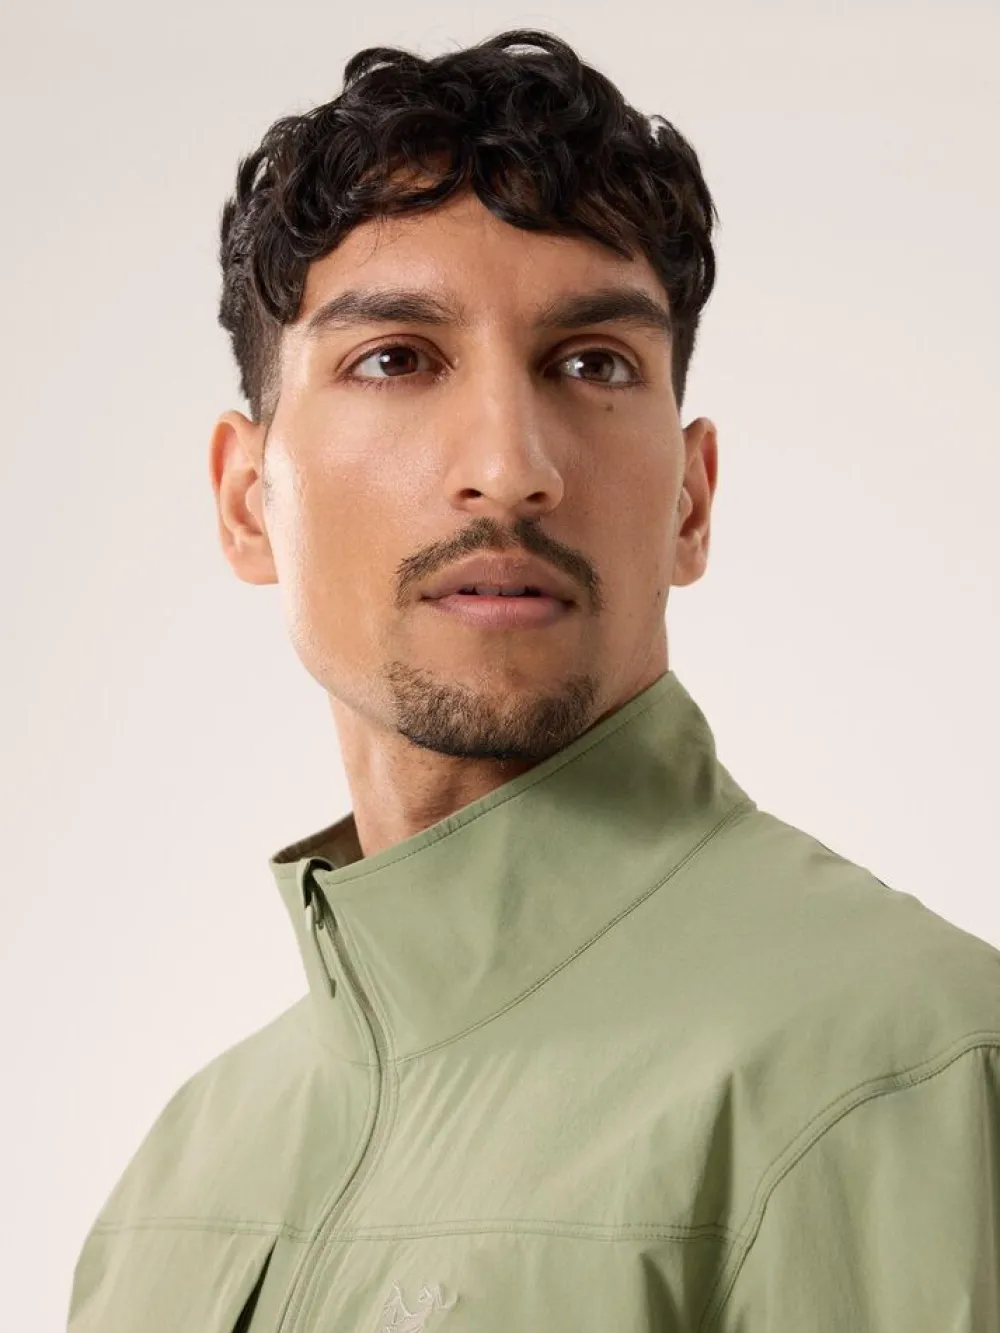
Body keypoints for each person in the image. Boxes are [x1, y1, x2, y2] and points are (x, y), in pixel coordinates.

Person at [67, 28, 1000, 1333]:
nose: (510, 469)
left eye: (592, 362)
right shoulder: (178, 1183)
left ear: (692, 500)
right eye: (396, 359)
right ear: (246, 500)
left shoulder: (898, 1067)